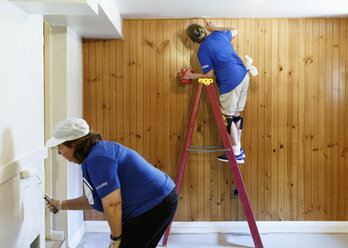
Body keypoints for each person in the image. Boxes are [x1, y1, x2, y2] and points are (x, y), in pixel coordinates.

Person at [45, 118, 178, 248]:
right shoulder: (92, 156)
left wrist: (115, 239)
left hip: (156, 204)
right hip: (155, 202)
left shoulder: (98, 159)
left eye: (60, 147)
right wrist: (60, 204)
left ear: (73, 145)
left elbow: (112, 203)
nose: (59, 153)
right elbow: (97, 199)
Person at [182, 21, 250, 164]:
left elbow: (209, 76)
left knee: (228, 117)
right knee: (237, 114)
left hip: (230, 80)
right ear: (205, 31)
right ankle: (238, 149)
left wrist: (190, 76)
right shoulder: (219, 34)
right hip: (244, 75)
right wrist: (215, 28)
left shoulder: (202, 50)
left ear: (193, 40)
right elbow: (235, 29)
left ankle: (236, 152)